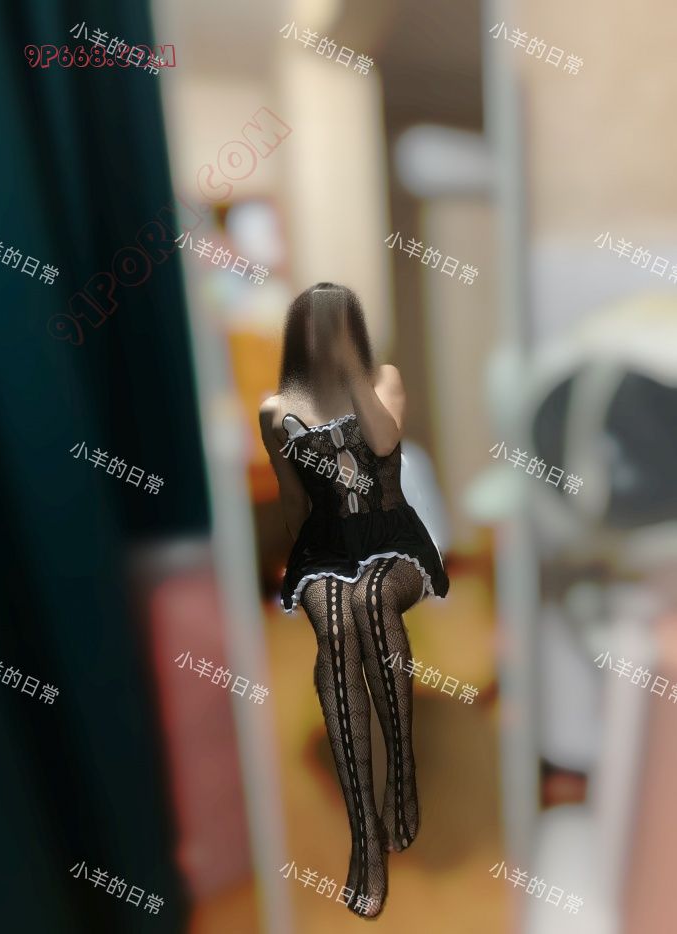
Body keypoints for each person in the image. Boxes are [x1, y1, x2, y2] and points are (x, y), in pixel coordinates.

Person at [259, 282, 449, 918]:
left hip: (393, 538)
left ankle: (402, 770)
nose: (327, 337)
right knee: (337, 622)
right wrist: (305, 564)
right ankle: (365, 834)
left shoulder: (383, 379)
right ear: (299, 333)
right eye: (318, 326)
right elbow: (293, 498)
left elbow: (386, 443)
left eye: (339, 325)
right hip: (323, 547)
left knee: (369, 600)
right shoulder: (276, 408)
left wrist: (351, 373)